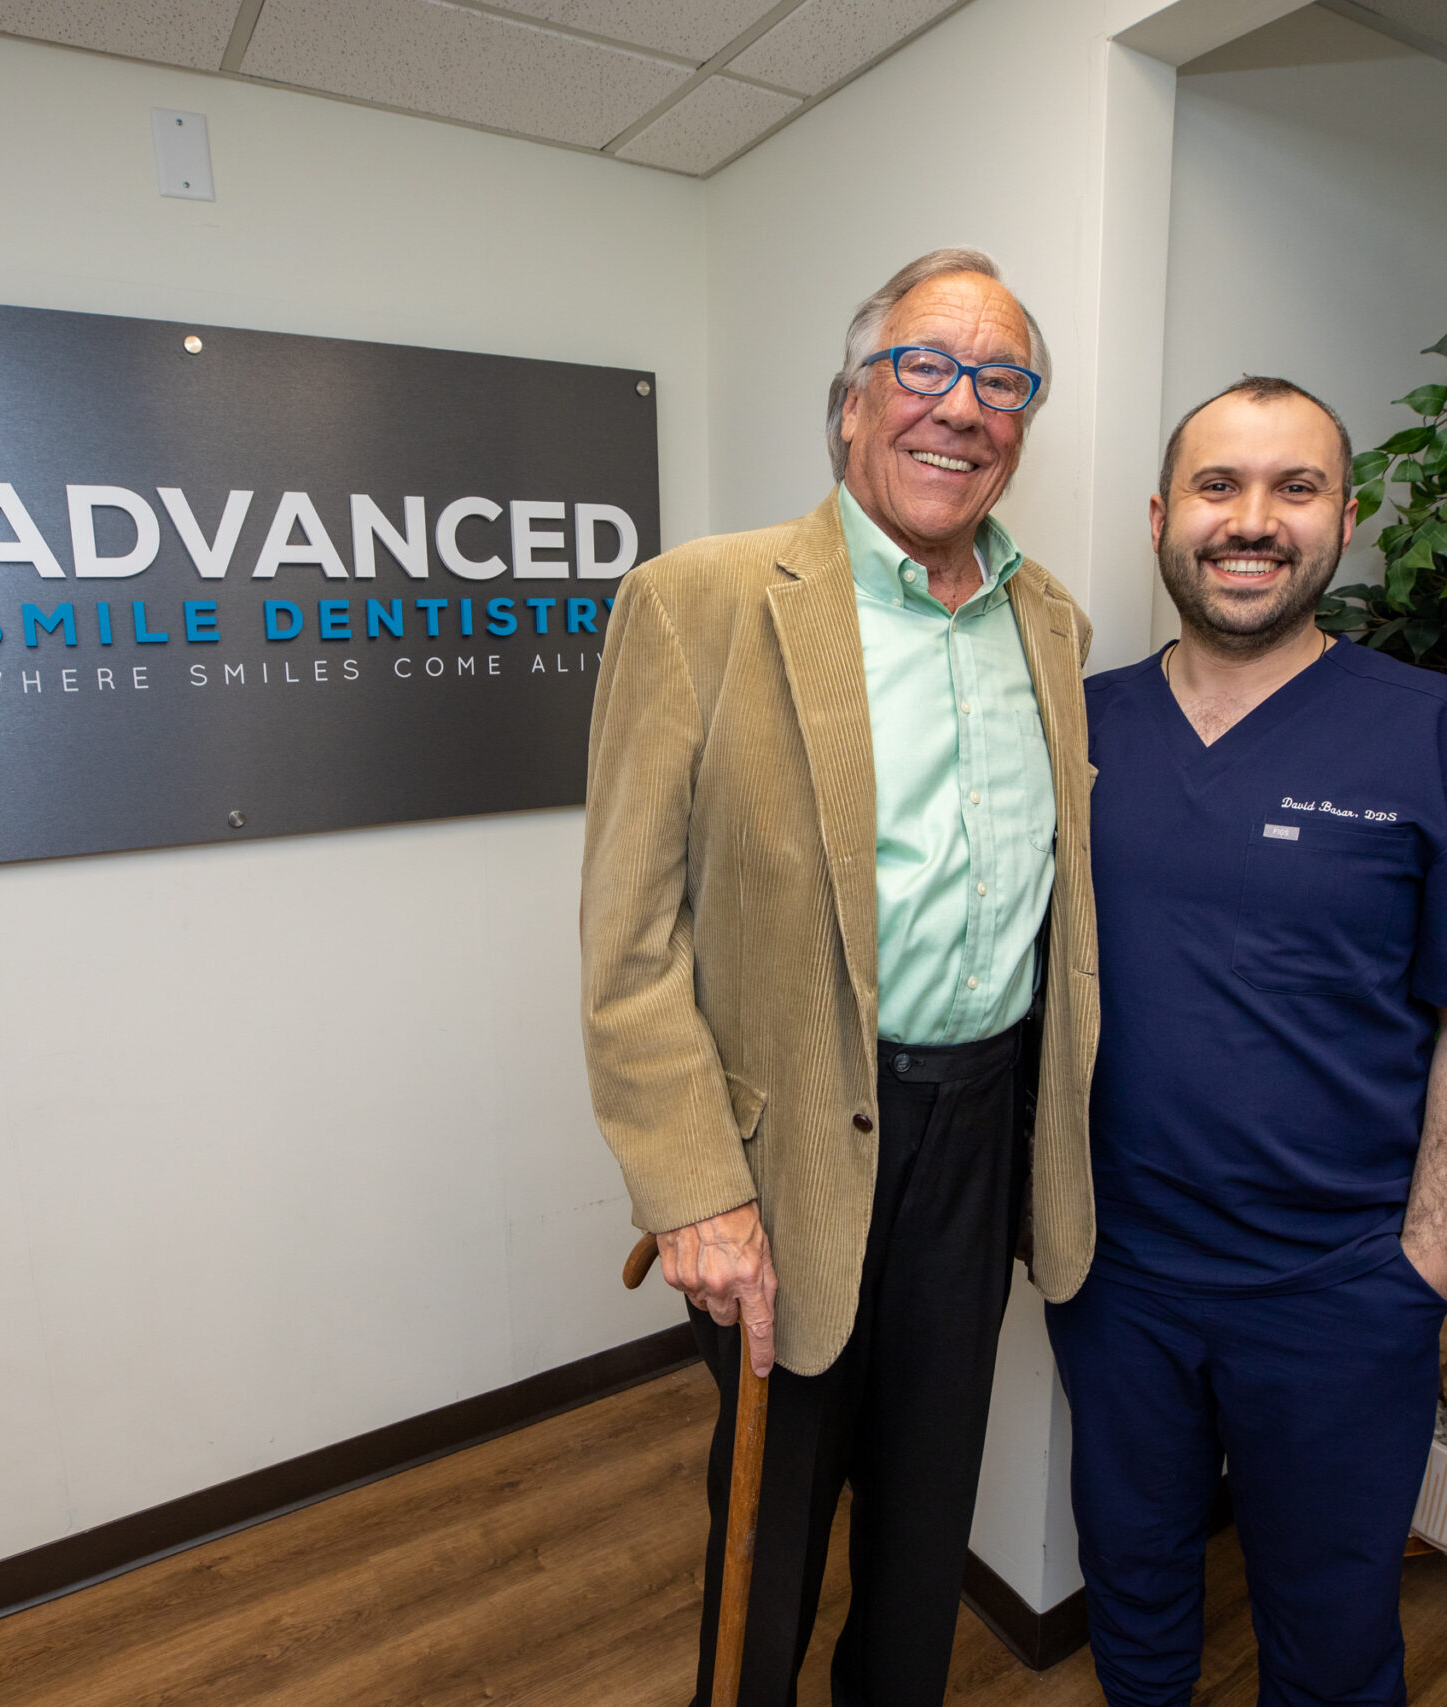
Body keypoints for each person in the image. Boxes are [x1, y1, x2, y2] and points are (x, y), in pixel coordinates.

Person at [579, 248, 1099, 1707]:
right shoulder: (702, 600)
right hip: (788, 1138)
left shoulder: (1049, 622)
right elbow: (628, 940)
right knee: (772, 1523)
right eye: (925, 366)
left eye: (1004, 380)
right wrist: (694, 1188)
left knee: (929, 1512)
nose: (962, 407)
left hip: (980, 1130)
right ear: (854, 405)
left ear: (1025, 421)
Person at [1054, 376, 1447, 1706]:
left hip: (1340, 1293)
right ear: (1163, 517)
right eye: (1220, 487)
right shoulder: (1077, 727)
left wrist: (1426, 1266)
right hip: (1118, 1283)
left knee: (1333, 1631)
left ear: (1346, 521)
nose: (1253, 521)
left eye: (1295, 488)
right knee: (1134, 1579)